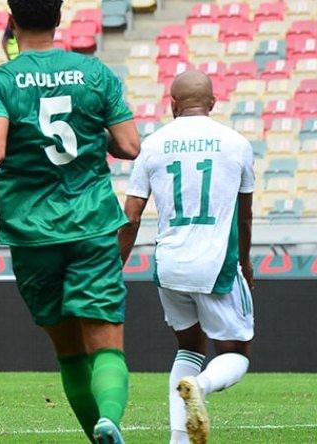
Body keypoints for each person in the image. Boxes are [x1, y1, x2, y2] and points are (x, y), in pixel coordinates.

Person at [0, 1, 141, 442]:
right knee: (105, 342)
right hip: (91, 223)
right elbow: (129, 146)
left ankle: (97, 435)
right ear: (59, 18)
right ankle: (110, 418)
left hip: (32, 231)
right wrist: (91, 132)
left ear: (12, 22)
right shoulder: (95, 73)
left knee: (68, 351)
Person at [118, 70, 255, 444]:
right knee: (237, 352)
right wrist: (245, 262)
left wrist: (115, 268)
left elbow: (131, 217)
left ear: (172, 104)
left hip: (170, 266)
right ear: (213, 103)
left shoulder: (153, 145)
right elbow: (244, 216)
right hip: (216, 265)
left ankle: (179, 440)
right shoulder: (237, 144)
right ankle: (201, 385)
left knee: (189, 347)